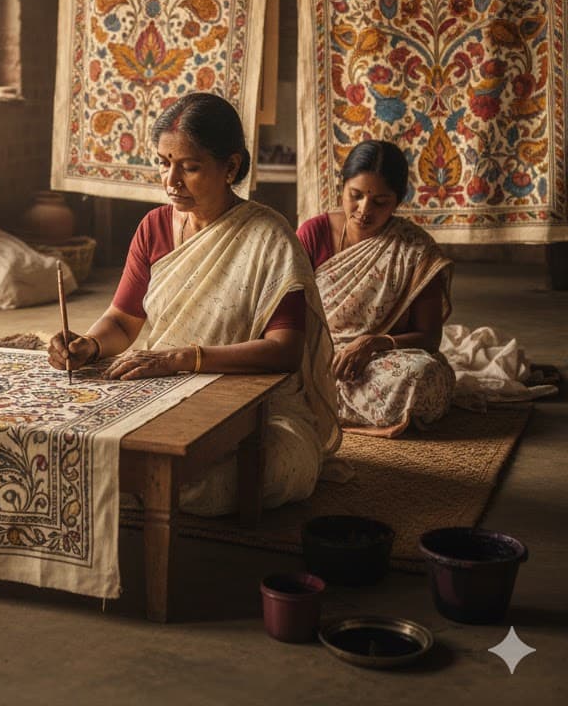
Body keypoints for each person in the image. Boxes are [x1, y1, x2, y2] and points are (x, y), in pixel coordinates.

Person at [48, 93, 342, 515]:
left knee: (256, 471)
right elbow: (123, 322)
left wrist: (183, 358)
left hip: (254, 404)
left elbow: (285, 351)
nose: (171, 181)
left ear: (231, 167)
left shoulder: (270, 237)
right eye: (163, 163)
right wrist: (89, 345)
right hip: (163, 388)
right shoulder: (154, 227)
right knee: (72, 439)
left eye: (189, 167)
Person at [296, 139, 455, 437]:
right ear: (342, 187)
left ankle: (324, 407)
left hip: (381, 359)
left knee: (423, 376)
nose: (364, 210)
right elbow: (287, 308)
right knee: (282, 371)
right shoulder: (314, 233)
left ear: (398, 201)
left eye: (380, 202)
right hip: (319, 355)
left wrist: (372, 343)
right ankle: (341, 408)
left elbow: (430, 338)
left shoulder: (415, 249)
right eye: (355, 196)